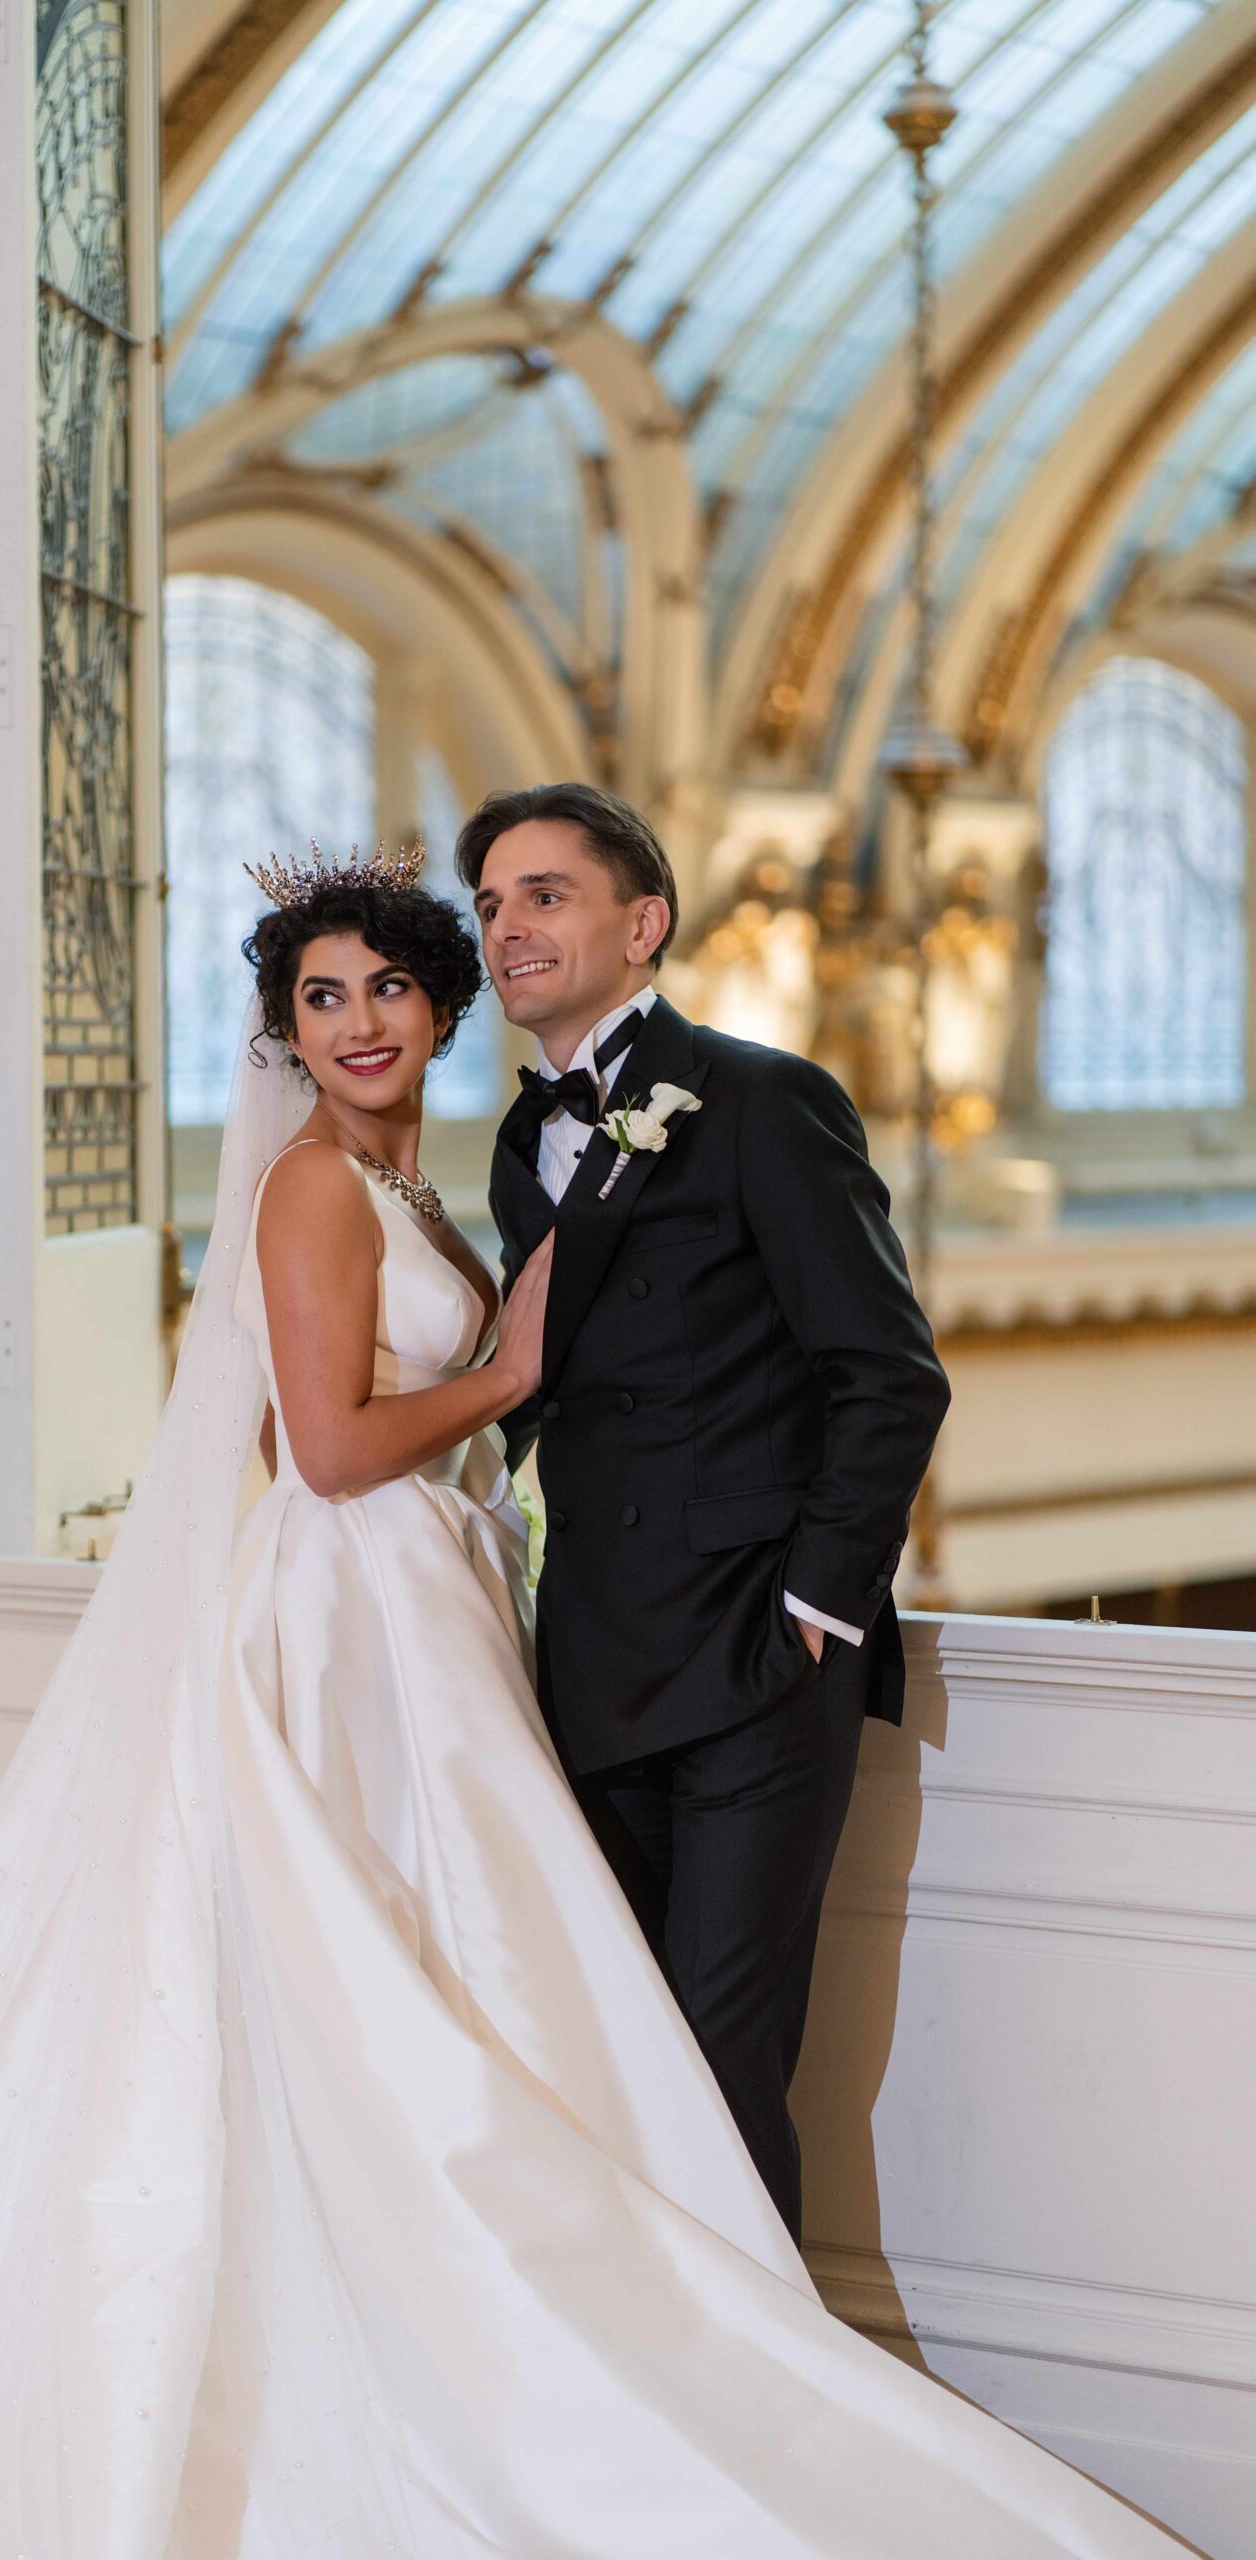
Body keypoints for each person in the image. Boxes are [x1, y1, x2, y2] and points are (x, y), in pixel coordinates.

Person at [0, 845, 1183, 2557]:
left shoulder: (451, 1179)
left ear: (446, 1004)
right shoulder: (316, 1191)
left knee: (497, 2005)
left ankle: (608, 2366)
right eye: (318, 1000)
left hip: (468, 1606)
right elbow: (324, 1452)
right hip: (358, 1614)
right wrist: (505, 1373)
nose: (357, 1023)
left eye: (388, 988)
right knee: (393, 2001)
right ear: (286, 1035)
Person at [466, 782, 950, 2241]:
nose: (508, 928)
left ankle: (772, 2425)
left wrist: (814, 1610)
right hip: (591, 1666)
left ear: (644, 922)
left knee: (725, 2064)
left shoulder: (761, 1100)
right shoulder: (516, 1141)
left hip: (754, 1665)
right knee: (623, 2061)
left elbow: (889, 1375)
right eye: (490, 905)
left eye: (546, 894)